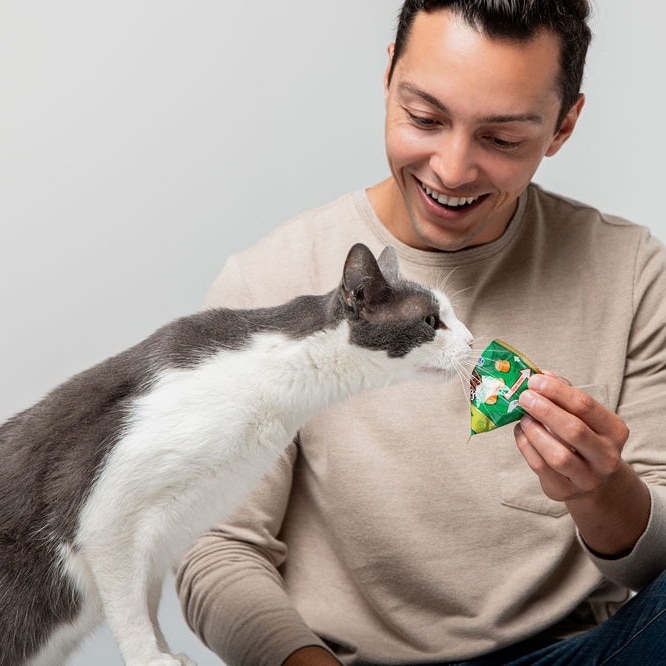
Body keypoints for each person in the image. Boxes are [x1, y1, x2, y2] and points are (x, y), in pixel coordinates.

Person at [176, 1, 666, 664]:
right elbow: (218, 549)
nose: (452, 170)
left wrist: (600, 491)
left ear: (563, 126)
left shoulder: (633, 273)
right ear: (388, 78)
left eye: (502, 139)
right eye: (425, 118)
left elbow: (655, 571)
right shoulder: (268, 283)